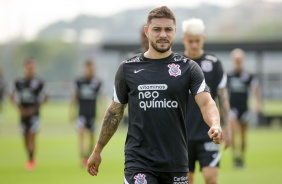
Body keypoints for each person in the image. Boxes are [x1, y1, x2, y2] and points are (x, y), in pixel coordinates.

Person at [87, 6, 223, 184]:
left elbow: (206, 103)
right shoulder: (127, 68)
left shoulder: (189, 68)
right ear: (147, 31)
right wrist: (98, 150)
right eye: (157, 29)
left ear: (175, 31)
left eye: (168, 29)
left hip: (176, 161)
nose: (163, 35)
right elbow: (115, 110)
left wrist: (215, 124)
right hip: (139, 161)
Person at [182, 18, 231, 184]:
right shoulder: (176, 65)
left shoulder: (214, 63)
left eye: (197, 41)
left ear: (203, 39)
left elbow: (222, 97)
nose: (194, 45)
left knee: (211, 179)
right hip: (182, 136)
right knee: (186, 181)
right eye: (190, 41)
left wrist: (227, 128)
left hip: (208, 134)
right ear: (184, 40)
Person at [9, 59, 48, 170]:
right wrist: (19, 108)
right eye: (28, 68)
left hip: (34, 114)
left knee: (31, 135)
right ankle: (30, 156)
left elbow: (45, 97)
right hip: (23, 114)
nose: (30, 70)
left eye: (32, 68)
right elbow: (11, 95)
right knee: (25, 137)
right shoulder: (19, 82)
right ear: (25, 68)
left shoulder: (39, 82)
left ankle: (31, 160)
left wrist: (34, 108)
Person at [228, 48, 261, 168]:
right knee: (232, 132)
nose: (238, 61)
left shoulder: (248, 76)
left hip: (244, 109)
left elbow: (255, 89)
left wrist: (258, 103)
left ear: (243, 60)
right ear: (232, 60)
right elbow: (224, 92)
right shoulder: (229, 75)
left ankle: (241, 158)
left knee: (243, 135)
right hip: (232, 108)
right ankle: (234, 156)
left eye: (240, 59)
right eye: (236, 59)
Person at [70, 60, 102, 167]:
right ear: (86, 68)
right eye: (90, 69)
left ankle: (89, 156)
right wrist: (72, 112)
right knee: (82, 133)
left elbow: (101, 97)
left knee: (92, 136)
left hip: (92, 113)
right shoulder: (79, 81)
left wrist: (102, 112)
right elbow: (74, 97)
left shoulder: (97, 82)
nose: (92, 71)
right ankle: (83, 157)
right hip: (82, 113)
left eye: (93, 69)